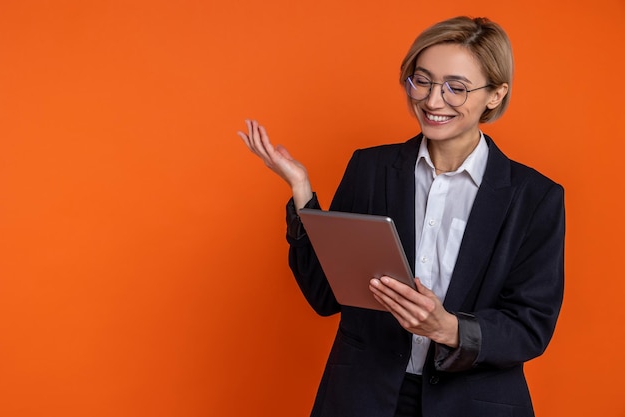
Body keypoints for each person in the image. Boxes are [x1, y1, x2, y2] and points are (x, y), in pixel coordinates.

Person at [237, 16, 565, 417]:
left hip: (473, 404)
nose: (432, 100)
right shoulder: (370, 169)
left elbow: (530, 326)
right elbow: (324, 294)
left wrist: (447, 328)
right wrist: (302, 190)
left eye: (456, 88)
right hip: (364, 396)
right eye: (421, 80)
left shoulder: (535, 197)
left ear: (495, 95)